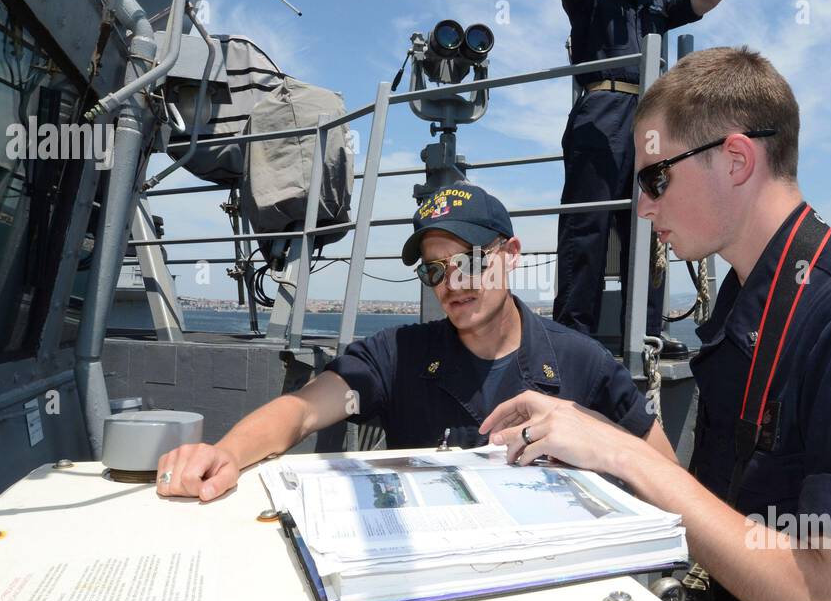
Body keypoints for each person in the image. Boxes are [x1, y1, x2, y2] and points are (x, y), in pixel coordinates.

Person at [481, 47, 831, 601]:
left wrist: (627, 454)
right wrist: (591, 435)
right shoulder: (751, 301)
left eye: (655, 180)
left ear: (736, 159)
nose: (644, 210)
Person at [156, 183, 674, 501]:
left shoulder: (580, 362)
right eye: (435, 270)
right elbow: (303, 412)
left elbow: (663, 469)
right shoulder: (399, 355)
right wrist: (226, 452)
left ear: (511, 254)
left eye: (470, 261)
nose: (452, 283)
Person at [553, 0, 724, 356]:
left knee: (649, 225)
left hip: (649, 120)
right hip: (601, 112)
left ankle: (645, 331)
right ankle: (573, 336)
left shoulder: (651, 3)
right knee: (587, 225)